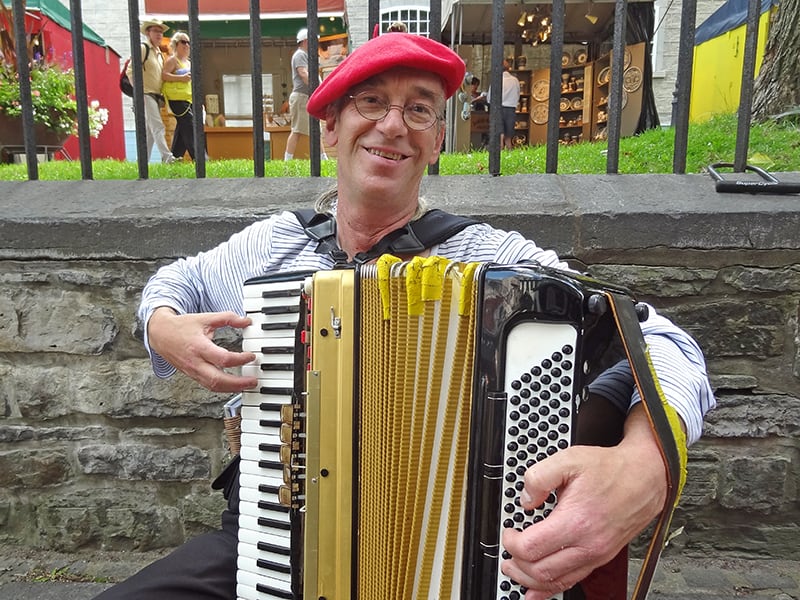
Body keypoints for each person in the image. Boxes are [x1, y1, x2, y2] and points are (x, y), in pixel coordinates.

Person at [93, 32, 714, 600]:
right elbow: (175, 281)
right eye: (371, 103)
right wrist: (161, 324)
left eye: (419, 110)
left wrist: (642, 467)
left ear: (437, 139)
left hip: (462, 557)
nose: (394, 126)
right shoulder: (268, 247)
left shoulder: (495, 262)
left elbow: (667, 344)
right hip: (275, 542)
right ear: (330, 128)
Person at [129, 18, 176, 164]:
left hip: (155, 95)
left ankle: (141, 162)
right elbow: (130, 71)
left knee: (150, 132)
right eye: (156, 31)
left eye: (161, 31)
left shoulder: (159, 53)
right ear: (148, 33)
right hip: (145, 94)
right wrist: (138, 92)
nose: (159, 34)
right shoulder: (143, 48)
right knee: (158, 126)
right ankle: (167, 158)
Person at [161, 31, 195, 161]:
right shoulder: (172, 60)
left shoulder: (189, 63)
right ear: (176, 44)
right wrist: (181, 78)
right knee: (189, 126)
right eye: (183, 42)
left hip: (188, 99)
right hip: (177, 100)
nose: (186, 45)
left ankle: (175, 157)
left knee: (182, 129)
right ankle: (200, 158)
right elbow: (164, 75)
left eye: (188, 42)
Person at [285, 28, 311, 161]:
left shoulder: (305, 55)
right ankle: (287, 161)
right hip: (301, 97)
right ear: (305, 41)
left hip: (306, 97)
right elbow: (303, 73)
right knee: (296, 131)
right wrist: (315, 87)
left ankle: (323, 159)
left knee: (315, 130)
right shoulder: (300, 55)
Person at [488, 57, 521, 149]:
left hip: (498, 109)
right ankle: (509, 153)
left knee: (500, 134)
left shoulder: (496, 80)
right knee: (508, 136)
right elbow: (518, 94)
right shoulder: (515, 80)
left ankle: (500, 153)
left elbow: (490, 98)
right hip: (511, 108)